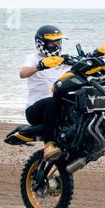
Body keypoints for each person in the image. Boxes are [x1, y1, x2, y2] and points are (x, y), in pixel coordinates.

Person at [20, 25, 70, 160]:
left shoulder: (59, 60)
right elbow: (22, 73)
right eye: (52, 42)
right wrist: (40, 66)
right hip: (34, 111)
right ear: (42, 43)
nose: (56, 45)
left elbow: (78, 66)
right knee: (52, 100)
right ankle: (48, 145)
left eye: (58, 41)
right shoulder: (33, 58)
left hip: (54, 109)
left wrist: (94, 57)